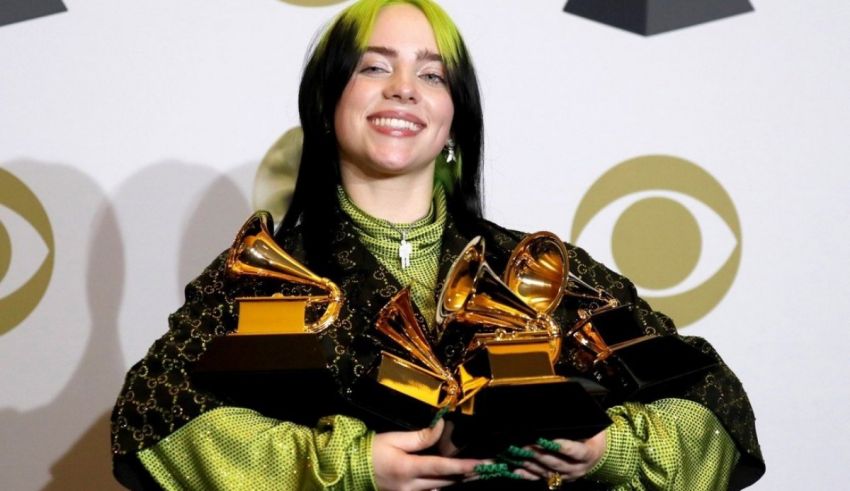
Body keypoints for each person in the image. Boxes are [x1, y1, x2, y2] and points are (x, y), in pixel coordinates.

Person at [110, 1, 765, 489]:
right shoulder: (261, 280)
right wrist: (350, 465)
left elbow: (715, 405)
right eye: (374, 66)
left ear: (455, 116)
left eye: (432, 74)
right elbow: (155, 423)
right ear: (328, 101)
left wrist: (610, 450)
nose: (403, 89)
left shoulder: (543, 270)